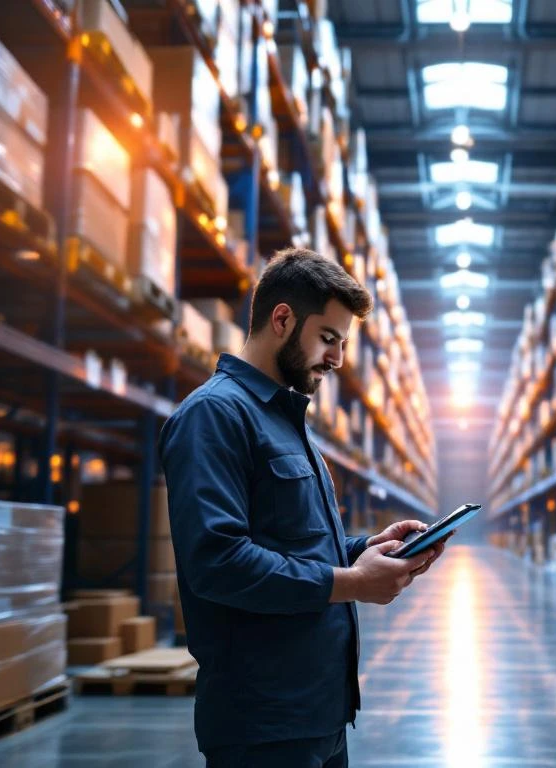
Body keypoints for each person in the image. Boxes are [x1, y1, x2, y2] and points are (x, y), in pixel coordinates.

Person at [159, 248, 449, 767]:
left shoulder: (291, 424)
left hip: (321, 713)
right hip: (262, 724)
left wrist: (368, 548)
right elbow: (217, 562)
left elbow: (300, 543)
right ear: (283, 319)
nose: (337, 358)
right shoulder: (213, 416)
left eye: (342, 343)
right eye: (329, 339)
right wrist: (354, 583)